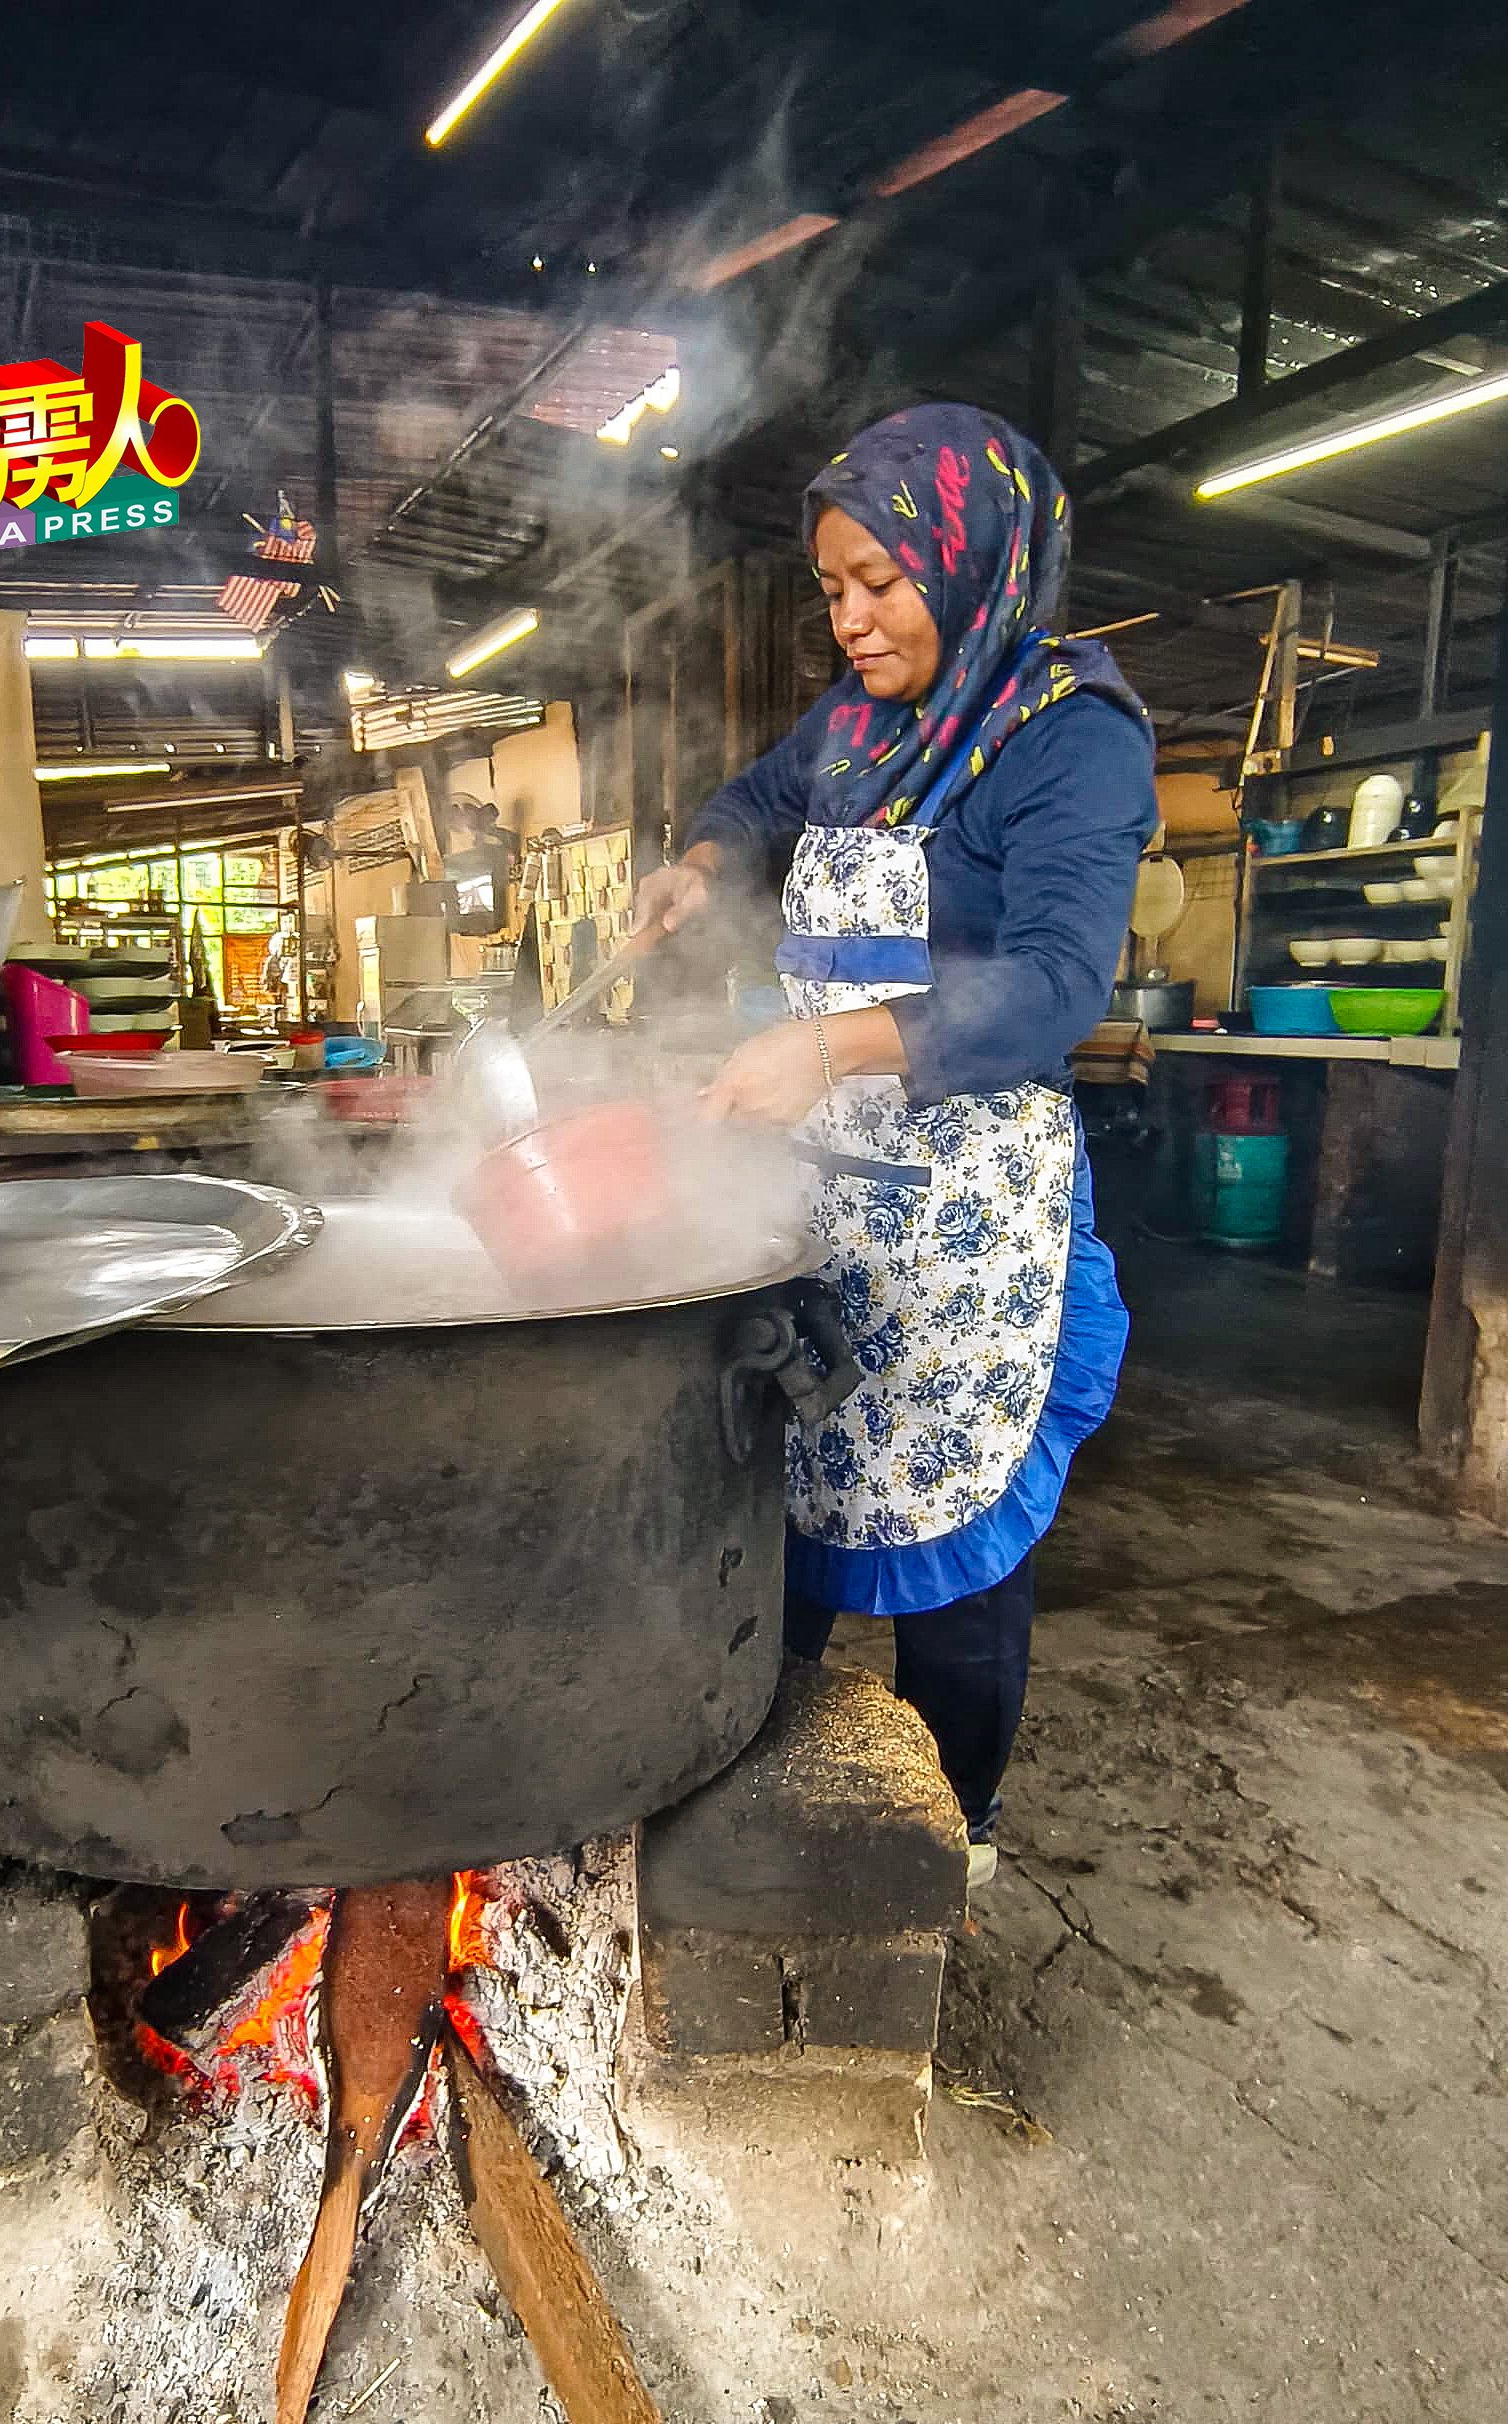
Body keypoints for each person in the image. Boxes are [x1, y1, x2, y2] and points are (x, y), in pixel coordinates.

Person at [635, 404, 1157, 1883]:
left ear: (973, 561)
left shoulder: (1070, 737)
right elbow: (757, 798)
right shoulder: (863, 725)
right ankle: (739, 1791)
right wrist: (698, 867)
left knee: (954, 1537)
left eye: (881, 583)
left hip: (970, 1201)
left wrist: (829, 1048)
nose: (852, 621)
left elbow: (1058, 983)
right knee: (787, 1498)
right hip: (827, 1184)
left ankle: (951, 1841)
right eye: (831, 590)